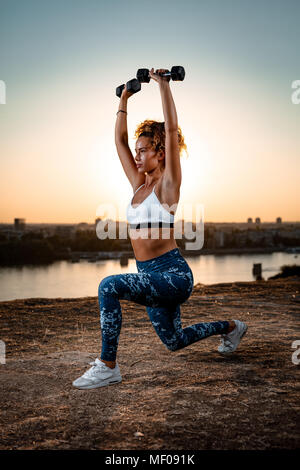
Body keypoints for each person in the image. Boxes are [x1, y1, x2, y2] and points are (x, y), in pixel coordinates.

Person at [73, 68, 247, 390]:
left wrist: (163, 85)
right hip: (148, 274)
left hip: (173, 275)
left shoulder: (168, 186)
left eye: (144, 151)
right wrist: (124, 99)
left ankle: (107, 366)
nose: (137, 156)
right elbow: (119, 141)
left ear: (160, 153)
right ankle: (232, 327)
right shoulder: (139, 185)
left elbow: (172, 130)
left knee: (108, 286)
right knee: (174, 340)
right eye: (137, 152)